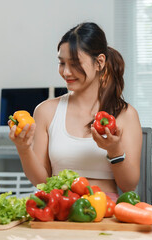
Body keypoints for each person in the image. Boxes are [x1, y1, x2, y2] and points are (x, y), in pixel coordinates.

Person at [9, 22, 142, 201]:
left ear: (99, 62)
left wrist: (115, 150)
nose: (66, 72)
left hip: (104, 209)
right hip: (58, 209)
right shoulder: (45, 111)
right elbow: (41, 181)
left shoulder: (125, 114)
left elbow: (129, 185)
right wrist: (23, 149)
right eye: (62, 63)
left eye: (75, 63)